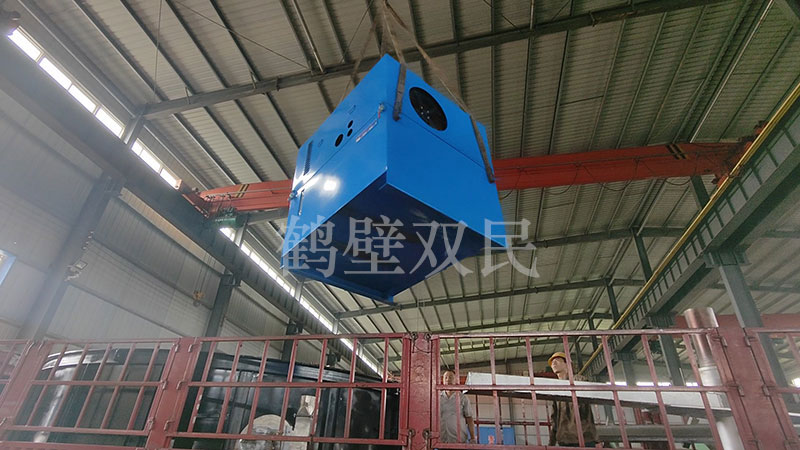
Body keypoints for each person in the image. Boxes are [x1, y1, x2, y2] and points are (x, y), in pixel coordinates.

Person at [548, 352, 599, 447]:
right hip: (564, 439)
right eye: (552, 362)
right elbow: (554, 418)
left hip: (584, 437)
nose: (553, 363)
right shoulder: (556, 389)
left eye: (557, 360)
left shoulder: (579, 380)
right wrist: (551, 443)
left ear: (567, 364)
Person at [439, 370, 476, 444]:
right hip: (442, 439)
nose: (448, 380)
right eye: (445, 377)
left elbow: (469, 419)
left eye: (450, 377)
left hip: (459, 440)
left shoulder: (463, 398)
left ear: (456, 380)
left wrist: (472, 438)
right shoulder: (438, 397)